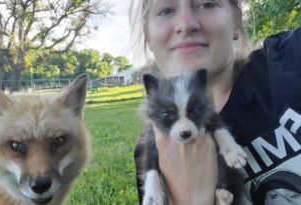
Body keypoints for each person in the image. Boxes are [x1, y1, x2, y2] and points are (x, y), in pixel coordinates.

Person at [129, 0, 301, 204]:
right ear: (148, 36)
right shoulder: (154, 145)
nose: (186, 23)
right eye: (166, 10)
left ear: (236, 22)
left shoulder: (288, 60)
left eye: (207, 4)